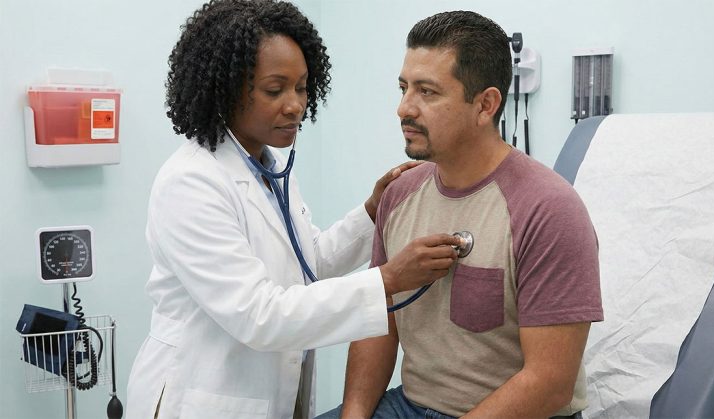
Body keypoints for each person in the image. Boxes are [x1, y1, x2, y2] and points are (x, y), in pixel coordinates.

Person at [125, 1, 464, 418]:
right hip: (201, 398)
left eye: (301, 88)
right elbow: (258, 315)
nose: (295, 105)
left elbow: (305, 266)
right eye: (275, 90)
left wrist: (371, 212)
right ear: (227, 89)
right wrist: (389, 279)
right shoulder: (191, 182)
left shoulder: (270, 169)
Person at [319, 11, 603, 419]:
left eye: (427, 92)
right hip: (410, 405)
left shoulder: (549, 210)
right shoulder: (398, 195)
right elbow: (379, 325)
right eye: (403, 88)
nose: (404, 108)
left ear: (485, 105)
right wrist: (354, 415)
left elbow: (550, 382)